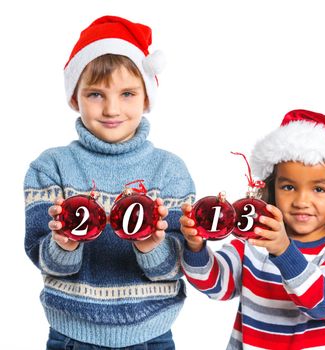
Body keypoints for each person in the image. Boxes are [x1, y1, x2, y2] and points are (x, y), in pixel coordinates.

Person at [24, 16, 195, 349]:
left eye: (127, 93)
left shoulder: (170, 171)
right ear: (75, 98)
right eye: (95, 94)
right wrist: (64, 244)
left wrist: (150, 245)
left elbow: (179, 263)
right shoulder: (51, 167)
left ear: (147, 98)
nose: (112, 108)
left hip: (153, 335)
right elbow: (39, 254)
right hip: (72, 335)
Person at [180, 109, 325, 349]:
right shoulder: (253, 240)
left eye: (319, 189)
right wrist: (196, 246)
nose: (301, 201)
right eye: (289, 187)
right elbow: (217, 285)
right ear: (272, 189)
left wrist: (284, 250)